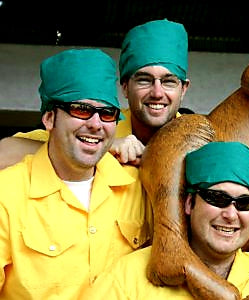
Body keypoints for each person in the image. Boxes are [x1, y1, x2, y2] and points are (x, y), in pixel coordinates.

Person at [0, 49, 151, 299]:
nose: (95, 124)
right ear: (49, 118)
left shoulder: (137, 186)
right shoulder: (6, 195)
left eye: (107, 113)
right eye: (81, 110)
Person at [80, 141, 249, 299]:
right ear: (189, 203)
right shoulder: (128, 276)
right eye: (217, 198)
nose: (230, 215)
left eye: (245, 202)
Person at [0, 18, 191, 168]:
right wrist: (103, 146)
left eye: (168, 82)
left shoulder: (198, 139)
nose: (157, 92)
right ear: (125, 87)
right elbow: (4, 153)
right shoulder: (101, 123)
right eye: (144, 80)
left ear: (183, 89)